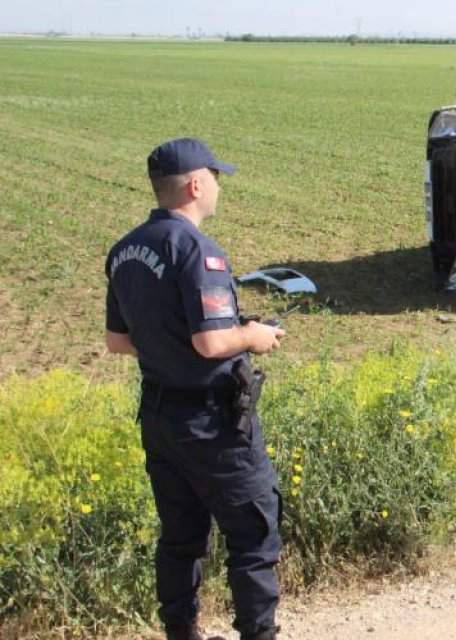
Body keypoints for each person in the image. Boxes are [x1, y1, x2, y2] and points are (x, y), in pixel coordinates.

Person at [105, 138, 286, 640]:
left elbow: (118, 341)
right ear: (194, 184)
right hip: (212, 423)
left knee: (181, 538)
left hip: (161, 417)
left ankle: (180, 632)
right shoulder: (199, 252)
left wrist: (171, 348)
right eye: (215, 177)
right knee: (253, 534)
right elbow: (210, 341)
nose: (218, 187)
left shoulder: (125, 250)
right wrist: (253, 335)